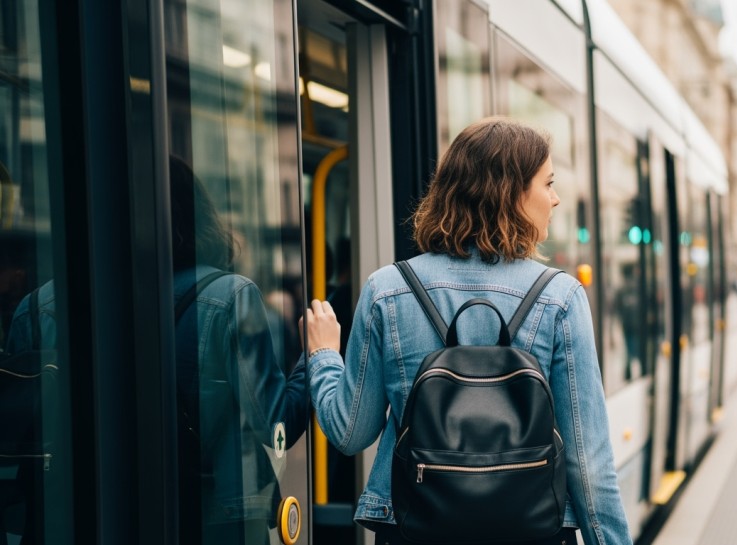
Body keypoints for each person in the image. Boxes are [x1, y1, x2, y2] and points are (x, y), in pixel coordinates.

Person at [304, 117, 632, 545]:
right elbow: (589, 464)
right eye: (547, 184)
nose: (555, 199)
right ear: (511, 193)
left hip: (414, 528)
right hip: (530, 530)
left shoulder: (387, 289)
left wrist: (324, 356)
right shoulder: (560, 298)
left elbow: (350, 432)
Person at [169, 156, 310, 545]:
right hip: (220, 510)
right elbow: (276, 429)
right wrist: (315, 358)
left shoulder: (46, 303)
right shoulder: (229, 296)